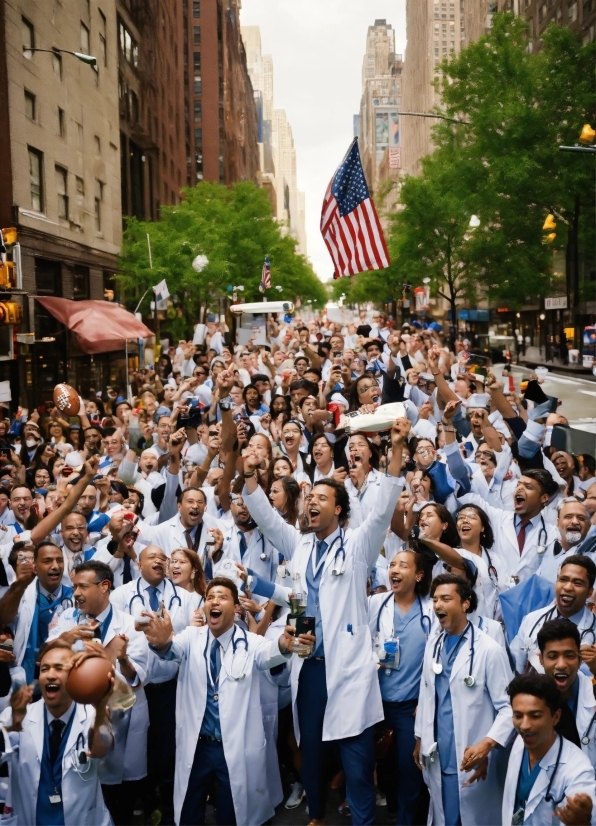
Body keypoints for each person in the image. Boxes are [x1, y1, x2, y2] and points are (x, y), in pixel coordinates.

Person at [241, 418, 409, 825]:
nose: (311, 503)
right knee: (311, 756)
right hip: (309, 668)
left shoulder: (357, 546)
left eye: (321, 497)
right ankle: (316, 816)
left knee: (356, 765)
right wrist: (248, 477)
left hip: (347, 670)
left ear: (338, 507)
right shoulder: (298, 546)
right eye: (309, 497)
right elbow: (267, 519)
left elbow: (384, 507)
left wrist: (397, 448)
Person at [142, 576, 297, 826]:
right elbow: (172, 650)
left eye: (222, 597)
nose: (214, 601)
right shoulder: (191, 636)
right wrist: (160, 643)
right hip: (198, 746)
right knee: (189, 813)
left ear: (236, 609)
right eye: (210, 597)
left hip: (233, 746)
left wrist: (284, 646)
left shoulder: (251, 642)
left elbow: (270, 655)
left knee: (231, 815)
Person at [47, 560, 150, 826]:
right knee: (79, 794)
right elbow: (46, 658)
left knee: (118, 801)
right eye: (74, 587)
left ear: (104, 586)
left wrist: (122, 659)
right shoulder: (67, 620)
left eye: (82, 586)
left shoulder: (128, 625)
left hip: (121, 720)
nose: (76, 593)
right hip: (78, 720)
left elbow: (137, 678)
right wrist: (67, 640)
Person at [414, 573, 513, 826]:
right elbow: (426, 695)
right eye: (435, 599)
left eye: (446, 598)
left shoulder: (489, 650)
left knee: (469, 818)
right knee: (444, 818)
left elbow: (509, 709)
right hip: (438, 755)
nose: (437, 605)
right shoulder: (434, 644)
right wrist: (419, 738)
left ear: (466, 603)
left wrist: (487, 745)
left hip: (471, 756)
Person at [7, 639, 115, 826]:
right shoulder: (20, 715)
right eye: (45, 669)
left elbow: (100, 749)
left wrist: (100, 708)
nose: (50, 675)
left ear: (74, 675)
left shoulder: (91, 714)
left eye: (59, 668)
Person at [368, 549, 433, 824]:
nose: (394, 569)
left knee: (411, 770)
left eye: (403, 565)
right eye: (392, 564)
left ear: (418, 576)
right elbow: (356, 639)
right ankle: (390, 808)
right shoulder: (376, 604)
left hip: (410, 707)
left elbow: (434, 662)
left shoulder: (430, 611)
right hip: (375, 703)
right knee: (380, 767)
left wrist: (425, 701)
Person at [503, 673, 595, 825]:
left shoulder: (577, 769)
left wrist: (581, 821)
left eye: (535, 716)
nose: (524, 725)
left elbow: (583, 806)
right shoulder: (521, 743)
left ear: (556, 717)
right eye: (518, 715)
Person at [510, 556, 596, 675]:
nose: (567, 587)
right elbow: (514, 667)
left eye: (577, 583)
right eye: (563, 579)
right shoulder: (532, 620)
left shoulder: (593, 629)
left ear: (589, 592)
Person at [537, 618, 596, 765]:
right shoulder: (532, 698)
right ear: (541, 660)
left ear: (580, 659)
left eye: (569, 656)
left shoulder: (593, 693)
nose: (561, 665)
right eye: (552, 656)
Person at [538, 498, 594, 582]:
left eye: (581, 518)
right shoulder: (545, 550)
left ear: (589, 526)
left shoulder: (593, 558)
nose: (575, 522)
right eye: (568, 517)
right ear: (558, 522)